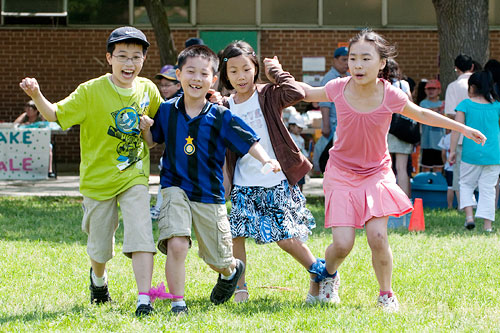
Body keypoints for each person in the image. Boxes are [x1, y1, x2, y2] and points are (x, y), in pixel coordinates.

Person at [299, 29, 486, 312]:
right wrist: (278, 81)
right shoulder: (339, 87)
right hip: (340, 172)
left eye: (365, 59)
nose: (358, 65)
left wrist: (463, 128)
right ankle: (328, 275)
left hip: (376, 172)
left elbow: (422, 114)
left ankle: (386, 294)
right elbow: (307, 92)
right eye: (353, 59)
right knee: (342, 244)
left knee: (377, 236)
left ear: (381, 63)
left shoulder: (390, 94)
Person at [19, 26, 163, 317]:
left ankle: (144, 299)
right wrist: (36, 94)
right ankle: (98, 279)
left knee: (141, 233)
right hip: (97, 180)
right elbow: (55, 115)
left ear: (144, 60)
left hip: (134, 173)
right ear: (109, 58)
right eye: (122, 56)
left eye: (136, 56)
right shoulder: (90, 91)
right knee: (100, 246)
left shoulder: (148, 89)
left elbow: (156, 133)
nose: (129, 63)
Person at [139, 45, 282, 314]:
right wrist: (146, 130)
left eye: (203, 73)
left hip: (209, 194)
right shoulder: (167, 110)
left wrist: (267, 160)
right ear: (179, 75)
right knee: (177, 243)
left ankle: (230, 271)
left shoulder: (220, 115)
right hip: (174, 187)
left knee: (218, 258)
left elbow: (249, 140)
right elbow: (152, 142)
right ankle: (178, 303)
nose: (196, 78)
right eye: (190, 72)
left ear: (213, 80)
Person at [219, 41, 322, 304]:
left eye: (246, 69)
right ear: (225, 74)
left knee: (285, 238)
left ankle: (320, 273)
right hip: (243, 182)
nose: (240, 77)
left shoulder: (267, 95)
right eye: (233, 71)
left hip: (275, 179)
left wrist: (275, 71)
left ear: (255, 68)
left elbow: (296, 92)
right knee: (236, 235)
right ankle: (240, 287)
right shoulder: (225, 105)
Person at [449, 71, 500, 232]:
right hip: (493, 154)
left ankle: (469, 217)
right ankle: (488, 226)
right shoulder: (497, 106)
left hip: (470, 153)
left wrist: (452, 150)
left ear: (472, 87)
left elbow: (456, 130)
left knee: (465, 184)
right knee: (488, 189)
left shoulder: (465, 105)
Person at [444, 54, 475, 206]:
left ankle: (464, 206)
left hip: (461, 136)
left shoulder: (453, 86)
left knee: (460, 173)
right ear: (472, 67)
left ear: (456, 68)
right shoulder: (481, 84)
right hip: (481, 135)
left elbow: (450, 114)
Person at [382, 58, 413, 196]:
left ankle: (387, 199)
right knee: (402, 168)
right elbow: (410, 106)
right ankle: (404, 201)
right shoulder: (403, 85)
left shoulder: (380, 85)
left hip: (384, 130)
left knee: (384, 168)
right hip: (402, 130)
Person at [316, 46, 350, 173]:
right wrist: (325, 125)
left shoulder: (348, 77)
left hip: (345, 125)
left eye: (349, 60)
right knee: (330, 159)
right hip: (332, 125)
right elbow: (325, 105)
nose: (346, 63)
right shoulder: (329, 78)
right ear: (334, 60)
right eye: (343, 59)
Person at [419, 80, 445, 173]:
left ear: (439, 90)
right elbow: (424, 113)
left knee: (438, 167)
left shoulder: (443, 104)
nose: (431, 91)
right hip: (427, 142)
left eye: (433, 89)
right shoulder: (423, 103)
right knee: (426, 167)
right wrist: (437, 110)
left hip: (440, 141)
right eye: (429, 89)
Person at [288, 113, 308, 191]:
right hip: (292, 164)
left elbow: (303, 150)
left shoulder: (301, 139)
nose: (300, 130)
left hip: (301, 164)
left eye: (301, 128)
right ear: (291, 126)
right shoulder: (289, 137)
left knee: (301, 183)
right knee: (293, 183)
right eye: (298, 127)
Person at [438, 129, 456, 209]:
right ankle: (461, 207)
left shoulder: (446, 137)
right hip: (460, 166)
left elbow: (443, 153)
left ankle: (450, 206)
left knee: (450, 187)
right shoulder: (463, 137)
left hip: (449, 167)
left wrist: (445, 163)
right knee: (461, 187)